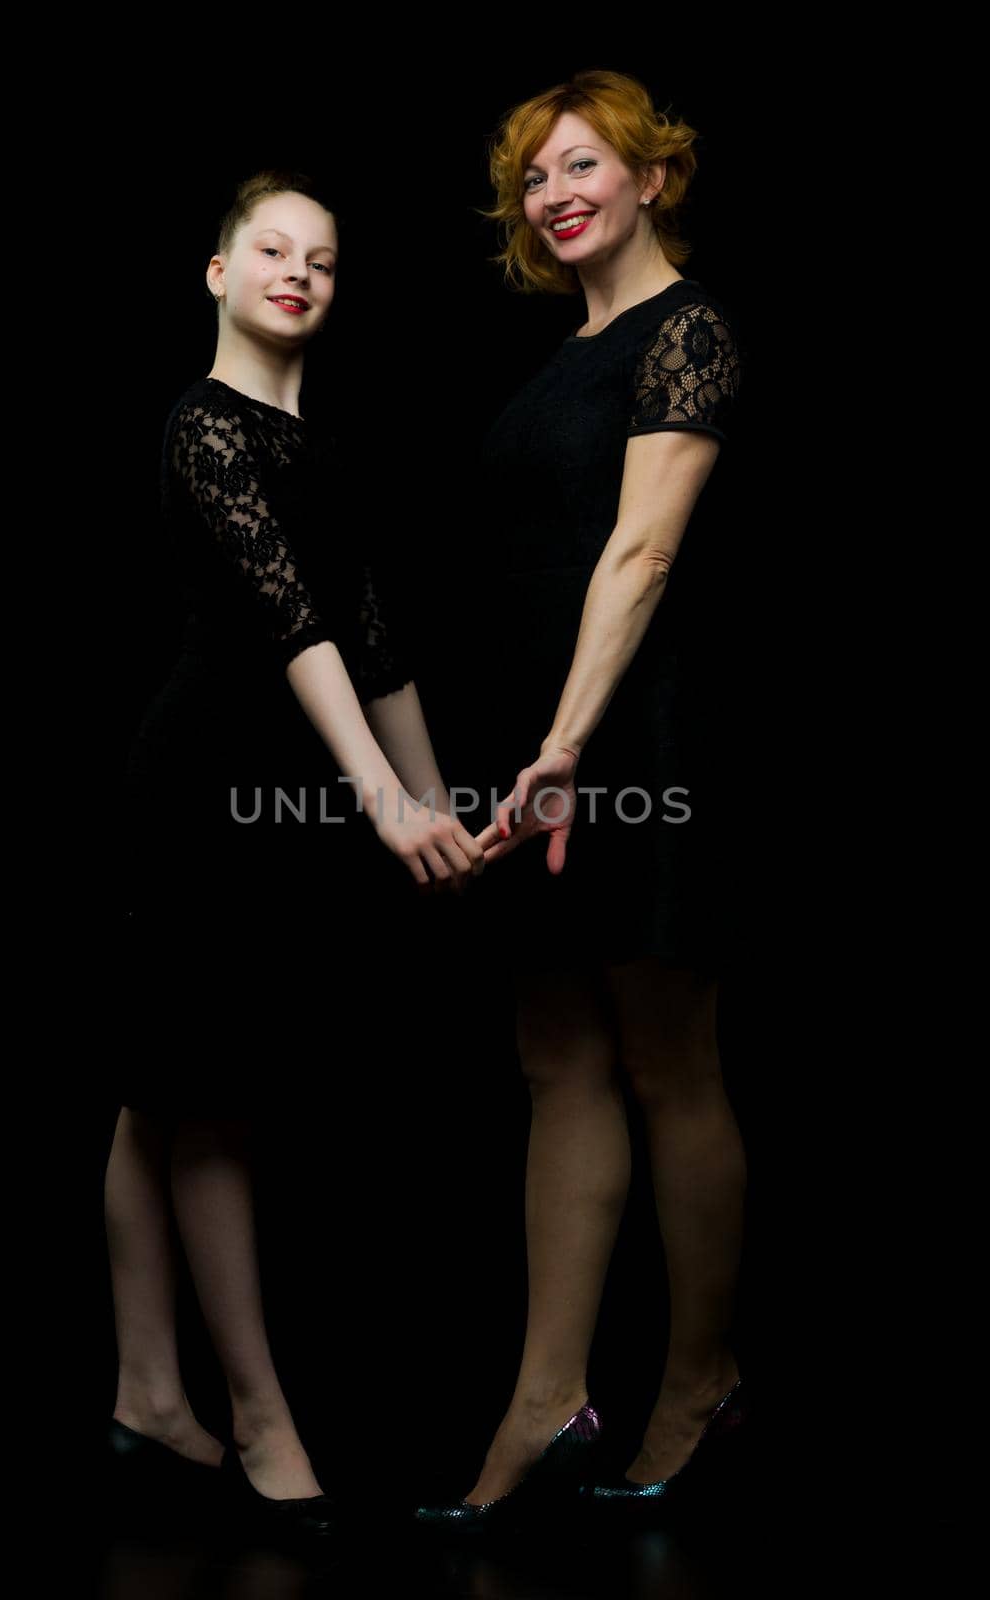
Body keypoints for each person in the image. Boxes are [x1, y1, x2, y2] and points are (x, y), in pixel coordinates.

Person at [106, 169, 484, 1535]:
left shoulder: (321, 448)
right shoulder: (204, 427)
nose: (299, 271)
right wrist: (382, 801)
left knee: (167, 1077)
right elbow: (297, 632)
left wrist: (437, 804)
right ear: (218, 274)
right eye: (272, 249)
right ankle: (260, 1415)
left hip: (291, 777)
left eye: (322, 258)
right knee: (203, 1092)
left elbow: (371, 629)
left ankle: (148, 1389)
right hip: (208, 776)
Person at [415, 70, 750, 1527]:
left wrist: (564, 745)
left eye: (581, 167)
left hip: (638, 737)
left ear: (650, 176)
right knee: (553, 1053)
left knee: (670, 1059)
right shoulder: (568, 352)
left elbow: (642, 559)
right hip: (535, 735)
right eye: (535, 177)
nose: (555, 196)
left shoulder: (692, 334)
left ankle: (698, 1381)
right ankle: (546, 1399)